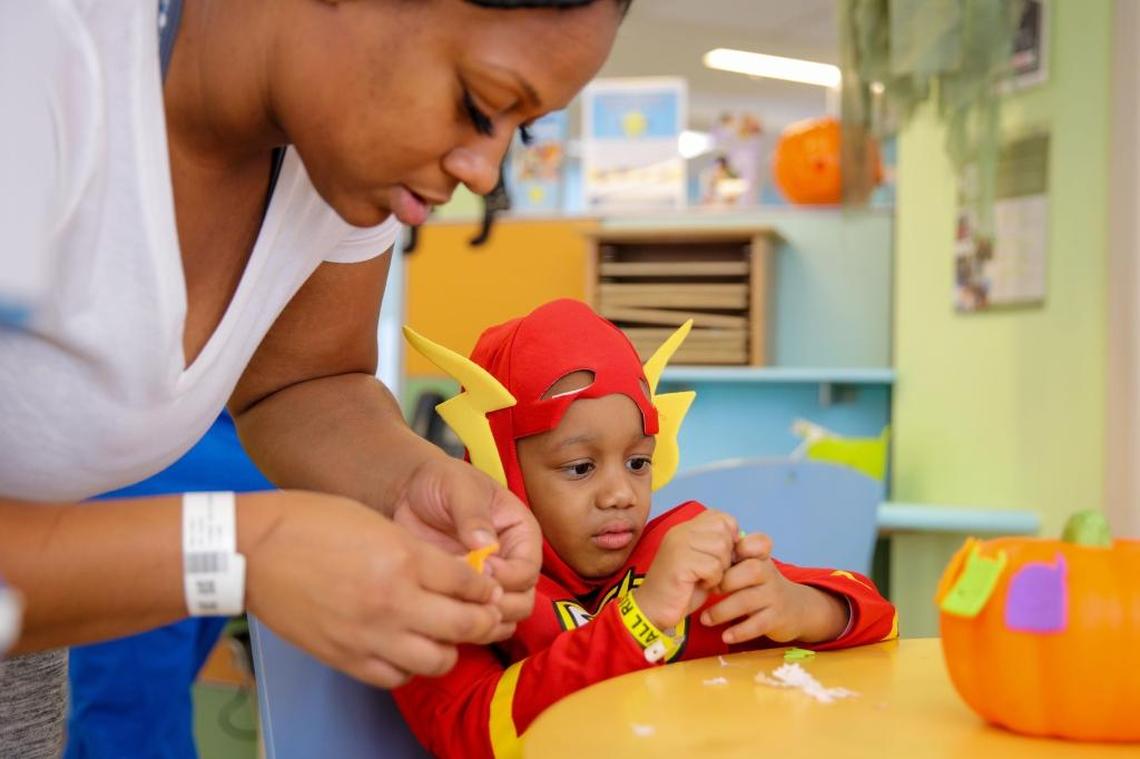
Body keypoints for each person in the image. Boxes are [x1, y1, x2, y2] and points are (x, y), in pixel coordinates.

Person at [0, 1, 631, 755]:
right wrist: (241, 549)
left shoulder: (333, 150)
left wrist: (411, 483)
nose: (481, 171)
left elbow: (305, 381)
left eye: (519, 129)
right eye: (477, 104)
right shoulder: (40, 56)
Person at [392, 299, 899, 759]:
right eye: (580, 468)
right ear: (499, 468)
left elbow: (880, 619)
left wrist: (800, 607)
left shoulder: (673, 553)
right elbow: (469, 733)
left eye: (637, 462)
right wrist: (641, 622)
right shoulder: (459, 584)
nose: (622, 494)